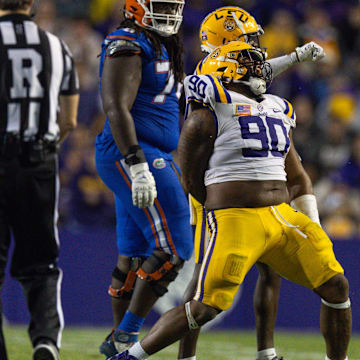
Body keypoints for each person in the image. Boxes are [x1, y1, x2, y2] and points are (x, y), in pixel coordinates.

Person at [108, 41, 352, 360]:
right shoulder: (212, 108)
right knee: (203, 308)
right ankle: (130, 357)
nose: (260, 69)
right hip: (236, 218)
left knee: (336, 287)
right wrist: (218, 206)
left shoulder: (278, 107)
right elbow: (191, 178)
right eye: (249, 63)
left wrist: (294, 57)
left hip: (282, 216)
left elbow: (295, 174)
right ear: (226, 71)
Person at [181, 6, 325, 360]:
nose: (255, 47)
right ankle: (187, 354)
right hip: (216, 179)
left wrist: (294, 57)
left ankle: (266, 351)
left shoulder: (235, 69)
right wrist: (293, 57)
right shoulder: (207, 74)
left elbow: (258, 69)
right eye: (247, 38)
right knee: (204, 277)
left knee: (271, 270)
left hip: (244, 170)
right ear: (225, 41)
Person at [95, 0, 193, 357]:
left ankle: (119, 343)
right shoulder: (128, 42)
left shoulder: (157, 41)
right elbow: (115, 107)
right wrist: (136, 163)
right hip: (136, 151)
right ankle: (126, 335)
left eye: (172, 6)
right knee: (175, 247)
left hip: (151, 152)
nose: (168, 13)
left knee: (134, 255)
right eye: (160, 5)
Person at [0, 0, 79, 359]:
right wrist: (43, 152)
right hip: (39, 164)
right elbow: (70, 121)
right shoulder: (55, 46)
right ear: (31, 4)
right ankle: (46, 340)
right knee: (41, 263)